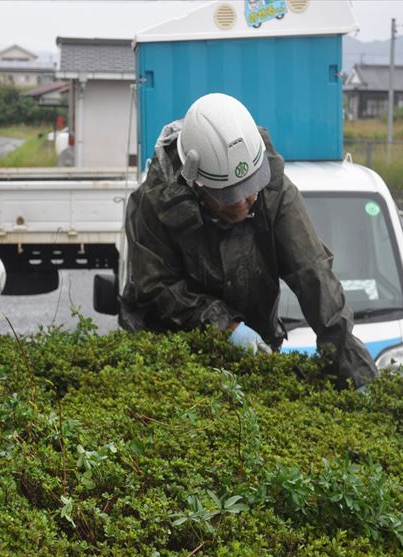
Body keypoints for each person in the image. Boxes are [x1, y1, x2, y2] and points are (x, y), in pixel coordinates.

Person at [119, 93, 377, 389]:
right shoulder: (152, 205)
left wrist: (355, 373)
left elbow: (313, 273)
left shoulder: (274, 190)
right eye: (229, 197)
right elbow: (155, 287)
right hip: (171, 355)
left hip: (257, 350)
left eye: (251, 189)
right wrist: (226, 326)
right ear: (195, 184)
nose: (244, 202)